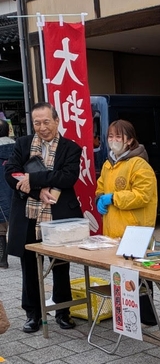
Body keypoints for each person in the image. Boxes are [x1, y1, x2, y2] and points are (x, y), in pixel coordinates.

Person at [5, 102, 82, 333]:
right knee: (29, 265)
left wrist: (34, 178)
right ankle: (32, 314)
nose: (42, 127)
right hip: (28, 213)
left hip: (57, 215)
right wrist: (39, 191)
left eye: (46, 121)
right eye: (37, 123)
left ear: (57, 121)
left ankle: (63, 311)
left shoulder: (70, 147)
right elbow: (11, 173)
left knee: (60, 265)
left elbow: (67, 177)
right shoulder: (23, 144)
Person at [96, 119, 159, 326]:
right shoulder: (108, 164)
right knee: (120, 273)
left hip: (135, 230)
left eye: (118, 136)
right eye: (110, 136)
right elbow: (100, 187)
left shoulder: (139, 164)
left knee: (139, 274)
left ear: (130, 140)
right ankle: (126, 312)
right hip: (113, 228)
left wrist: (113, 198)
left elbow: (142, 195)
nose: (113, 141)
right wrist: (99, 199)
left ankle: (147, 317)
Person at [0, 119, 15, 268]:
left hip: (1, 195)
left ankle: (2, 259)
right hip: (18, 194)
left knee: (0, 229)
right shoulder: (19, 147)